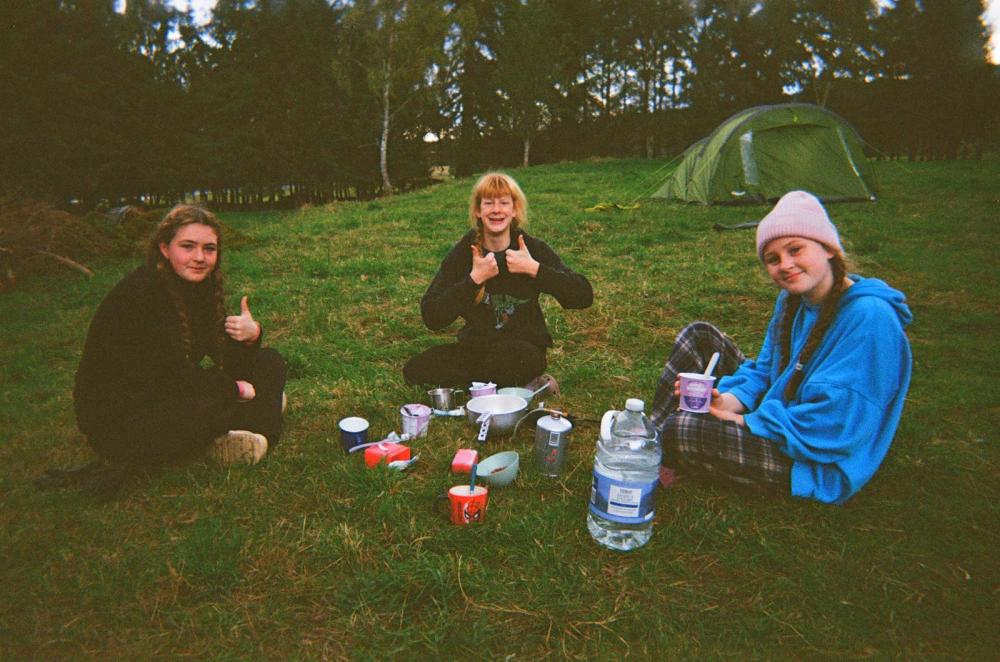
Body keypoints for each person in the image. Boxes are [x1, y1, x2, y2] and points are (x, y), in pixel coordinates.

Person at [650, 191, 912, 505]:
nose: (785, 265)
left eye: (795, 250)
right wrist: (731, 401)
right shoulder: (792, 300)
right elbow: (766, 369)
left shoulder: (870, 318)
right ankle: (650, 441)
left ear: (828, 248)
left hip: (815, 457)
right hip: (783, 410)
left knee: (684, 429)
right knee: (700, 335)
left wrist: (746, 422)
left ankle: (661, 446)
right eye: (773, 259)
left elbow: (835, 424)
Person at [73, 204, 287, 477]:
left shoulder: (202, 287)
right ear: (165, 248)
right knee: (206, 407)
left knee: (270, 361)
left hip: (170, 391)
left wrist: (250, 336)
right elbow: (165, 379)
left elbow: (223, 357)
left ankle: (249, 427)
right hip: (123, 418)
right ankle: (258, 419)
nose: (200, 257)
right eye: (188, 246)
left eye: (209, 249)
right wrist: (235, 390)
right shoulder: (140, 295)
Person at [403, 172, 593, 388]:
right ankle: (522, 388)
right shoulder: (466, 252)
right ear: (478, 210)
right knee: (416, 369)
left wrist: (535, 269)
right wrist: (474, 280)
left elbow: (583, 296)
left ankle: (487, 387)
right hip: (477, 347)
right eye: (488, 203)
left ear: (514, 210)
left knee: (513, 358)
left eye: (504, 203)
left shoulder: (530, 248)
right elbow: (432, 316)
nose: (496, 210)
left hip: (522, 348)